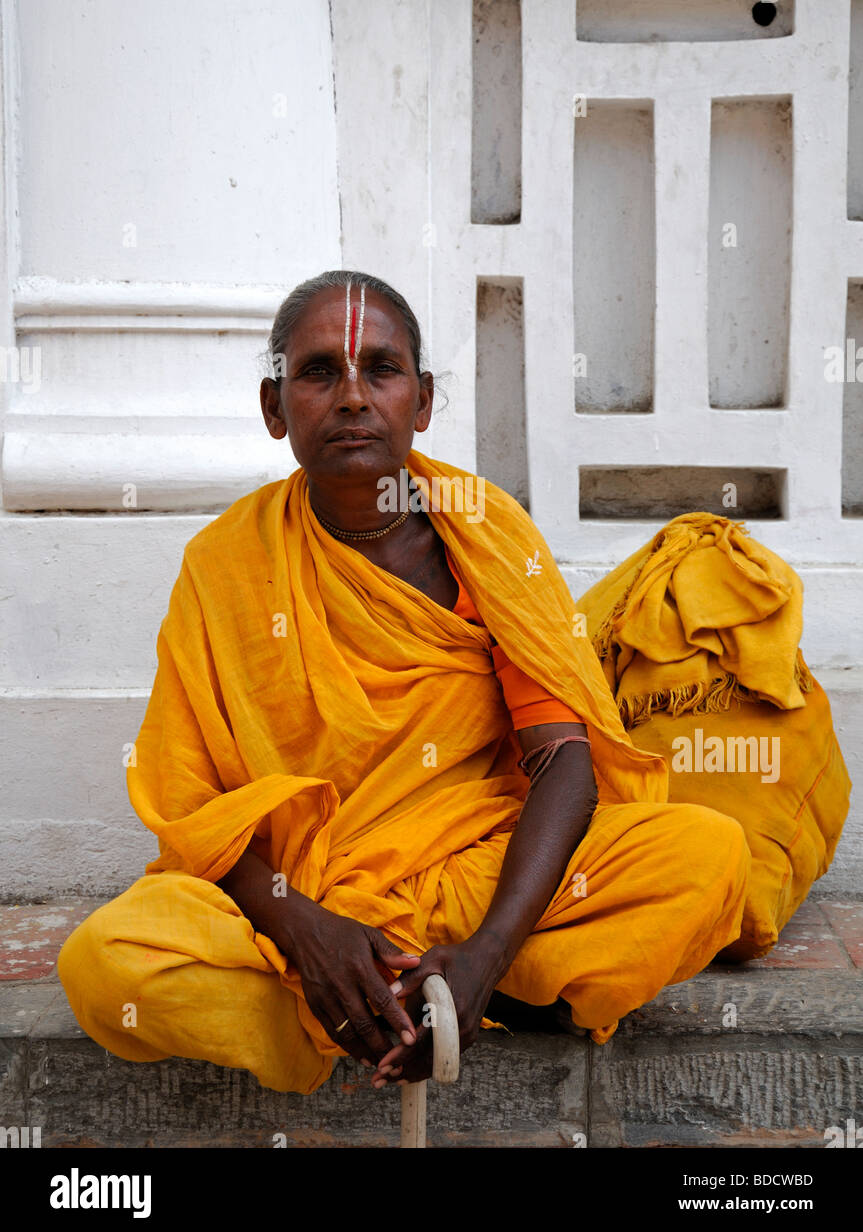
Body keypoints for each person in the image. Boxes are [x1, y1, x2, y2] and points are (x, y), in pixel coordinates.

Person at [57, 269, 750, 1096]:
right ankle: (408, 1002)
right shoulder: (223, 563)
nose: (352, 396)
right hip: (301, 896)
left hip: (470, 876)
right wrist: (307, 931)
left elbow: (563, 761)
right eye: (319, 372)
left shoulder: (486, 534)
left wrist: (487, 946)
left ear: (420, 402)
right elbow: (194, 809)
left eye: (380, 370)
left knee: (706, 855)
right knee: (107, 963)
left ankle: (433, 990)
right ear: (275, 408)